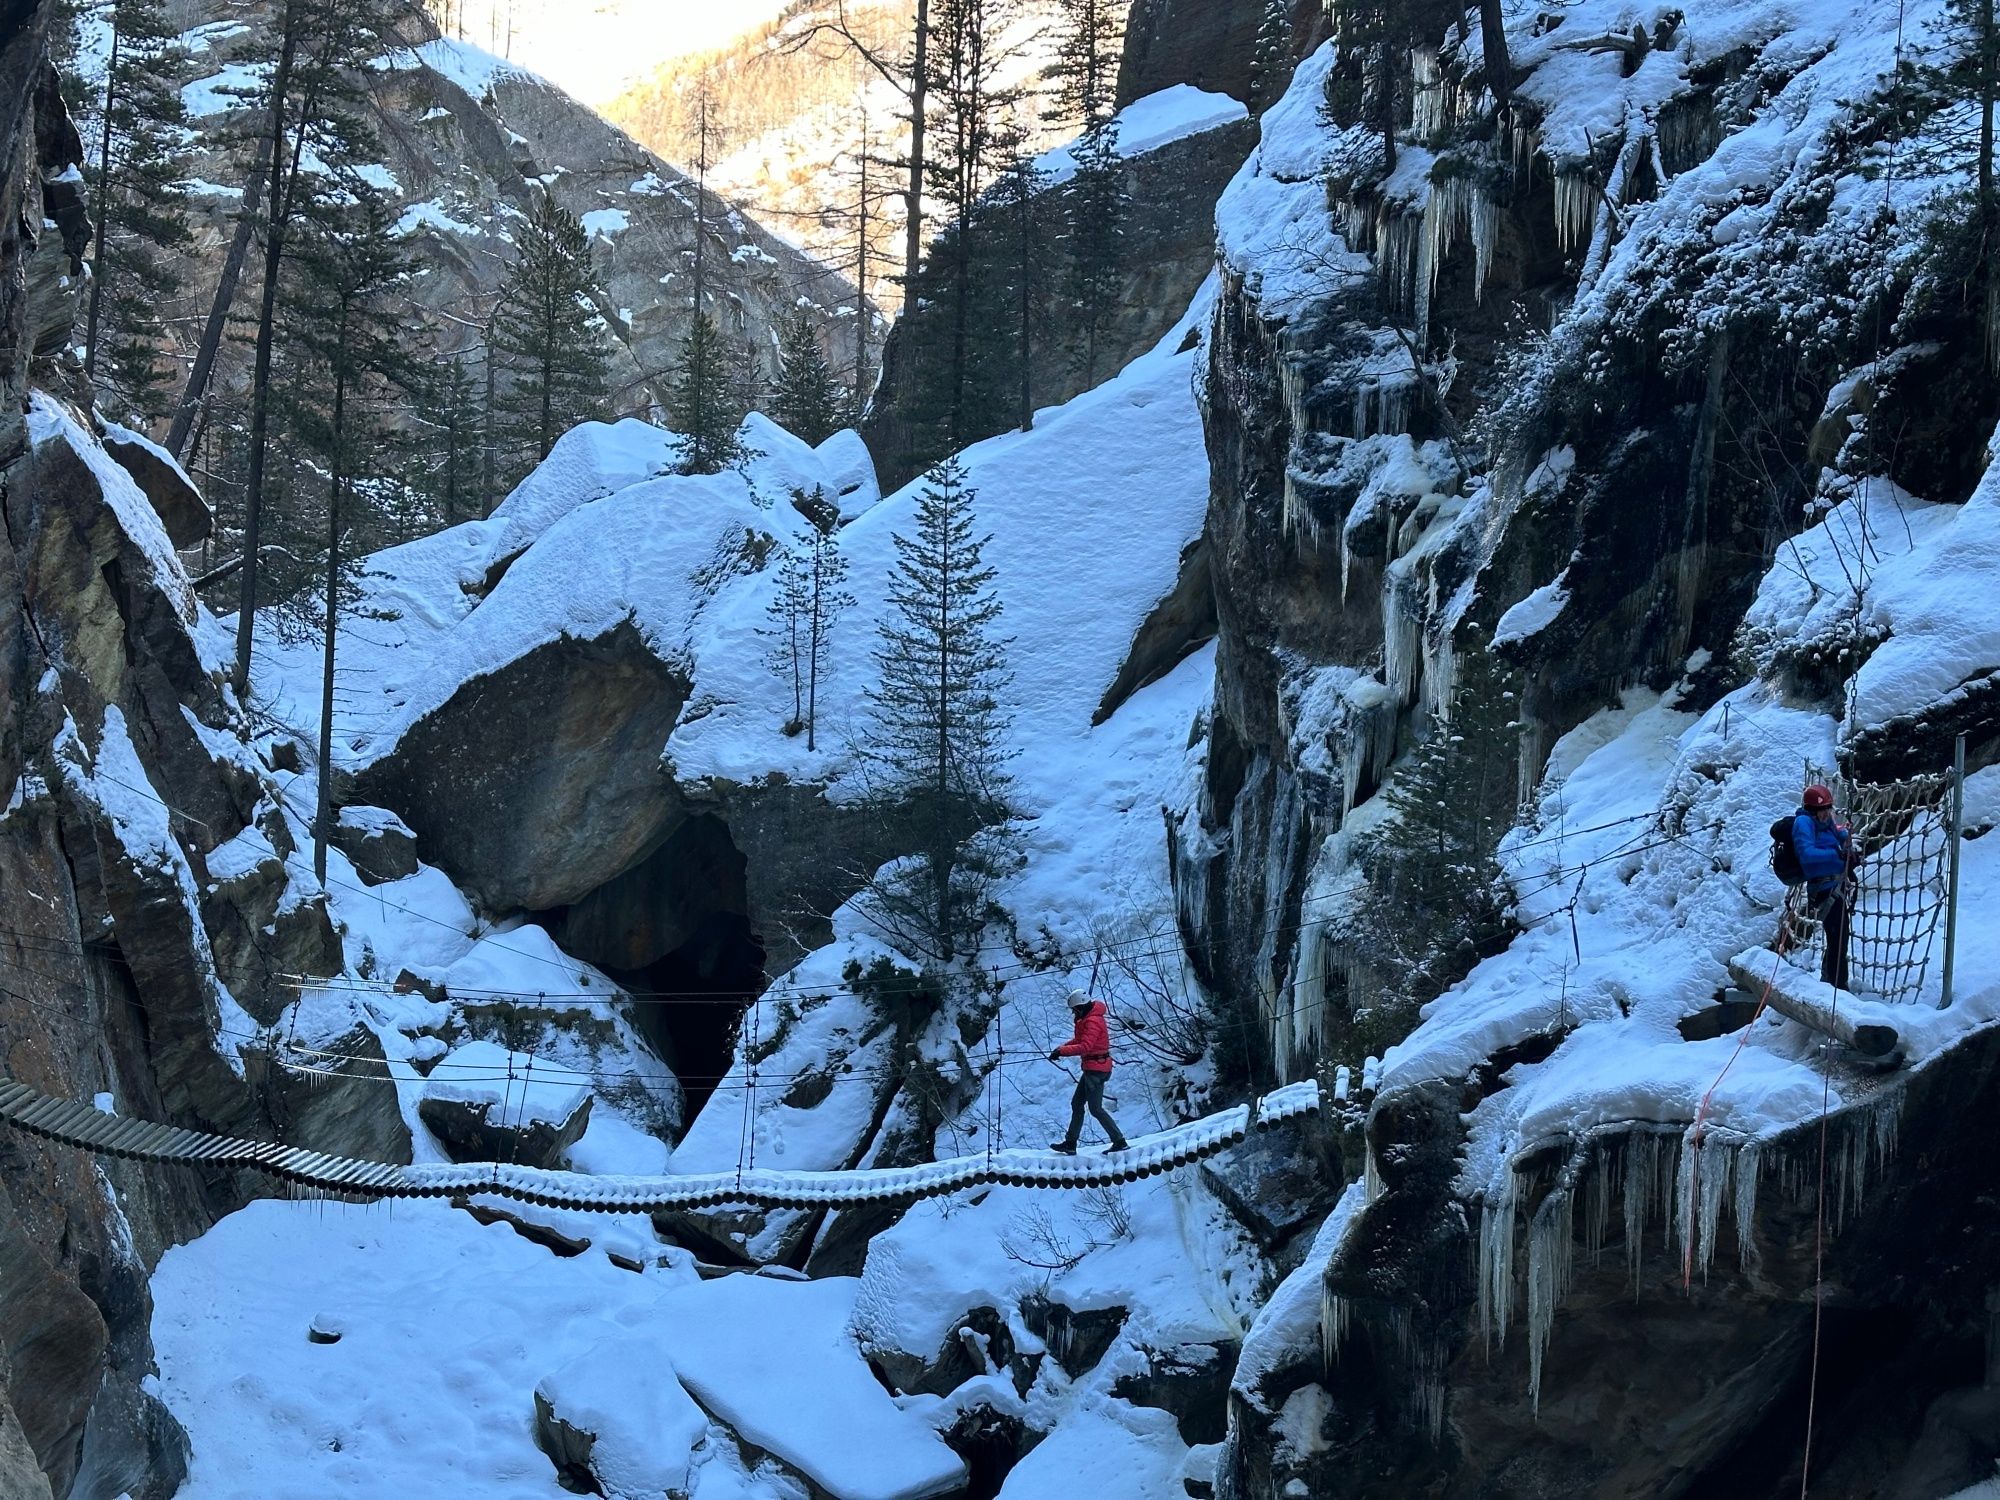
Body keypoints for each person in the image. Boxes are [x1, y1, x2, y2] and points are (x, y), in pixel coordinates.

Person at [1791, 783, 1856, 990]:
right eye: (1823, 810)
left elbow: (1835, 832)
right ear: (1812, 810)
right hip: (1823, 889)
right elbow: (1807, 855)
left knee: (1839, 937)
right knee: (1838, 938)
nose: (1827, 813)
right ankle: (1838, 987)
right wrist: (1837, 855)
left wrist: (1845, 837)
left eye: (1829, 808)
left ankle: (1831, 982)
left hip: (1836, 885)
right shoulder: (1803, 823)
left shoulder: (1824, 821)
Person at [1048, 989, 1129, 1155]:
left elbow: (1085, 1046)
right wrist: (1061, 1049)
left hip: (1096, 1070)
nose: (1074, 1013)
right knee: (1077, 1104)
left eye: (1074, 1010)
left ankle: (1119, 1141)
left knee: (1095, 1109)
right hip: (1093, 1068)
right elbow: (1080, 1040)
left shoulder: (1092, 1021)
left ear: (1080, 1007)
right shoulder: (1088, 1019)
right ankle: (1070, 1143)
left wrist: (1062, 1051)